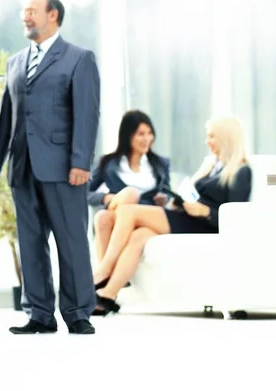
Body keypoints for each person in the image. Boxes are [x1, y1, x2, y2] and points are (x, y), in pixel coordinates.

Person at [0, 0, 101, 335]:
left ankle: (78, 312)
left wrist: (81, 161)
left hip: (65, 168)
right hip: (23, 168)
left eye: (32, 11)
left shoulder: (79, 59)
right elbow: (7, 119)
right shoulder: (16, 63)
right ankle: (39, 313)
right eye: (24, 12)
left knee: (71, 242)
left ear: (53, 15)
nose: (26, 17)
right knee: (31, 242)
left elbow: (87, 114)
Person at [92, 116, 252, 315]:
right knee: (139, 236)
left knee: (127, 210)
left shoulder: (241, 171)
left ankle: (104, 270)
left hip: (203, 224)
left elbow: (237, 217)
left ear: (226, 138)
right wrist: (180, 201)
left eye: (211, 136)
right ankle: (109, 294)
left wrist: (204, 211)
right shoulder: (212, 166)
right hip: (188, 216)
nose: (207, 141)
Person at [89, 110, 171, 268]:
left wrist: (165, 198)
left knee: (102, 218)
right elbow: (84, 193)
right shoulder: (108, 163)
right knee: (129, 194)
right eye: (141, 134)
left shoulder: (161, 164)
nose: (147, 139)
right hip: (118, 211)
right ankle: (106, 273)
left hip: (146, 215)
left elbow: (168, 192)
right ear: (128, 135)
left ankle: (104, 272)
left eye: (150, 133)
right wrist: (104, 198)